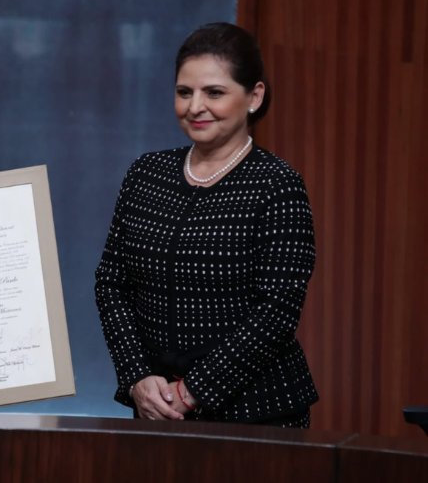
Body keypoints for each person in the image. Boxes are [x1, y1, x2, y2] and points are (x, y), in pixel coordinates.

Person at [95, 22, 318, 428]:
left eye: (214, 92)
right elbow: (112, 284)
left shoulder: (278, 184)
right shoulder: (146, 174)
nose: (195, 106)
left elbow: (278, 311)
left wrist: (192, 390)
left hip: (257, 416)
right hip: (156, 412)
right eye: (184, 92)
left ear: (254, 96)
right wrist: (137, 379)